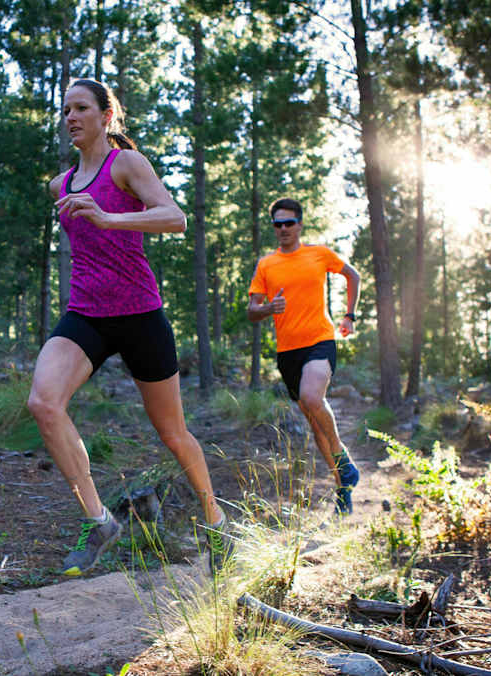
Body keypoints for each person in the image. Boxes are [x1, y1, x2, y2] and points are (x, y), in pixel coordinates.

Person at [27, 78, 229, 576]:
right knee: (44, 403)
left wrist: (108, 218)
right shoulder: (59, 185)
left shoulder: (127, 165)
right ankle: (98, 521)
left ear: (105, 116)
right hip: (87, 313)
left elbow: (175, 218)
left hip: (139, 314)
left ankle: (216, 522)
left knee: (173, 433)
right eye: (66, 110)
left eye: (81, 108)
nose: (71, 117)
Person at [247, 197, 363, 514]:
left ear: (299, 224)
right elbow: (252, 310)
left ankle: (343, 461)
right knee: (315, 424)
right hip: (288, 352)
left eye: (289, 223)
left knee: (313, 398)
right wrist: (268, 308)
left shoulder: (318, 254)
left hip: (320, 340)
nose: (283, 228)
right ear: (274, 227)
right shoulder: (266, 265)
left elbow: (353, 275)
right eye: (278, 224)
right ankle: (343, 488)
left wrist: (349, 315)